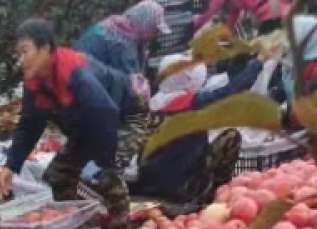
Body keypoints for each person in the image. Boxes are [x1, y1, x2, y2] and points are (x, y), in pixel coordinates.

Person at [0, 18, 148, 229]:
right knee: (58, 176)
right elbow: (30, 124)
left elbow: (106, 116)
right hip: (88, 125)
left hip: (124, 118)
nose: (21, 60)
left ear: (45, 48)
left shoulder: (76, 75)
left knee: (102, 174)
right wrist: (11, 166)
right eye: (18, 54)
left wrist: (98, 163)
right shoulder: (35, 80)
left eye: (25, 52)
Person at [136, 52, 263, 205]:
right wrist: (258, 63)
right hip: (182, 187)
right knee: (231, 137)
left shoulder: (153, 103)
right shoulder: (190, 104)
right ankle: (212, 194)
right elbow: (231, 91)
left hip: (149, 183)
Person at [76, 1, 169, 90]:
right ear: (145, 24)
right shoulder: (120, 41)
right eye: (154, 29)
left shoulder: (118, 28)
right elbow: (132, 85)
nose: (155, 35)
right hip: (84, 83)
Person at [194, 0, 291, 36]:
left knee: (263, 59)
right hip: (283, 11)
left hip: (271, 16)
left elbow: (210, 11)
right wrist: (222, 38)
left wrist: (191, 28)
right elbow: (233, 17)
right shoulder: (234, 5)